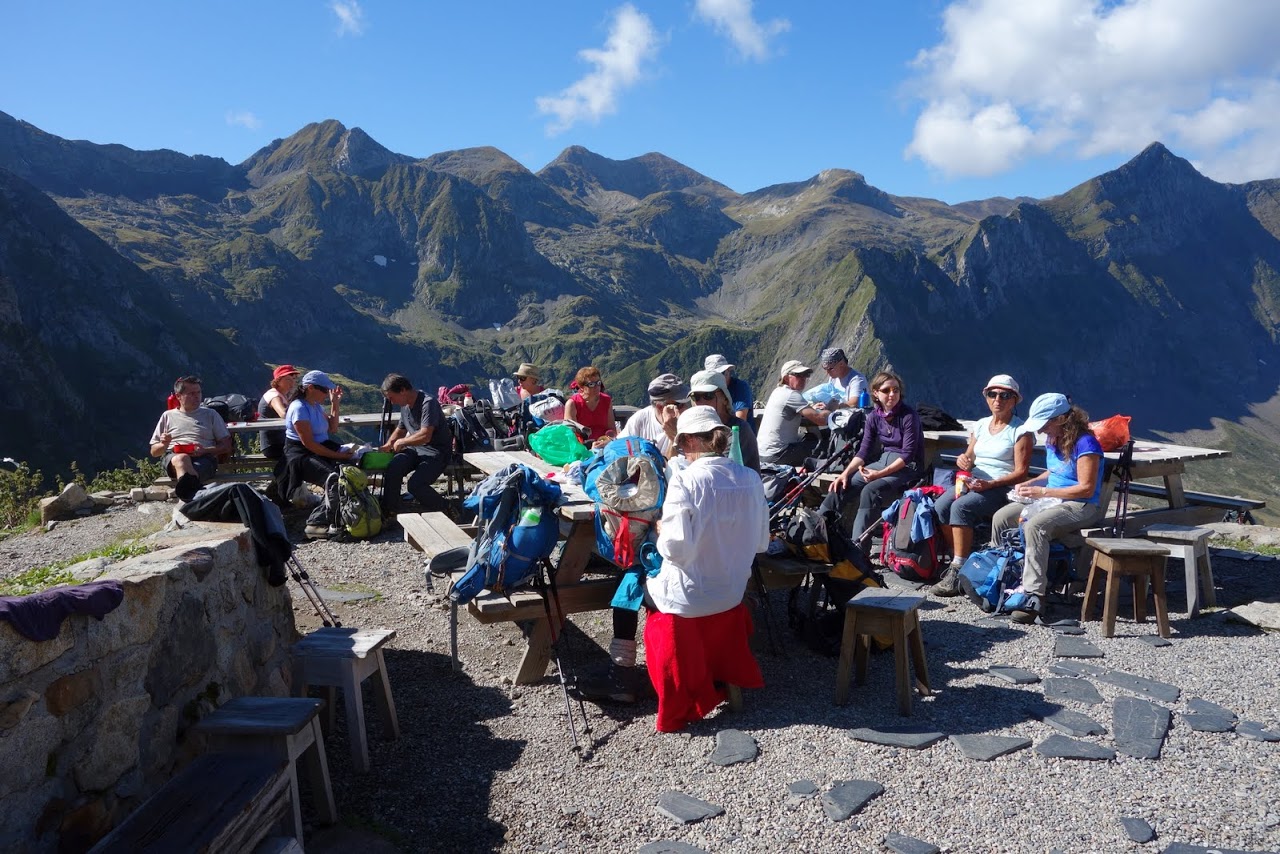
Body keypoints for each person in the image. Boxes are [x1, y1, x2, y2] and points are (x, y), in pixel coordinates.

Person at [643, 406, 770, 731]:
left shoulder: (685, 481)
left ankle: (644, 670)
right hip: (731, 593)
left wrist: (659, 532)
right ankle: (717, 674)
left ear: (686, 442)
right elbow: (760, 543)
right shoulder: (751, 479)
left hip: (689, 599)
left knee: (637, 582)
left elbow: (674, 548)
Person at [989, 393, 1106, 624]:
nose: (1041, 431)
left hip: (1081, 505)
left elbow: (1085, 488)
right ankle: (1000, 578)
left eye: (1044, 424)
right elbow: (1054, 473)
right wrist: (1032, 483)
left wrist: (1042, 493)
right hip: (1052, 500)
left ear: (1062, 419)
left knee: (1036, 526)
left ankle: (1034, 596)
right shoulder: (1055, 439)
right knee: (1002, 517)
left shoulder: (1086, 443)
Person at [931, 374, 1033, 596]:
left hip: (1002, 487)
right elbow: (969, 457)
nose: (998, 399)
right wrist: (963, 461)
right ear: (986, 397)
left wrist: (990, 484)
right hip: (975, 481)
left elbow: (1021, 472)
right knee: (940, 506)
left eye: (1005, 395)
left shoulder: (1020, 431)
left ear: (1015, 400)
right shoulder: (980, 425)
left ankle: (958, 570)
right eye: (992, 394)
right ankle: (962, 558)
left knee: (961, 507)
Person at [822, 370, 925, 540]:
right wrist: (845, 474)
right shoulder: (874, 417)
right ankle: (817, 532)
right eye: (886, 390)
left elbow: (908, 454)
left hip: (908, 467)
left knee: (870, 490)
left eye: (896, 390)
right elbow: (864, 450)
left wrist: (879, 474)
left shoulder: (909, 416)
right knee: (840, 486)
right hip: (882, 462)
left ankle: (858, 547)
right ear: (876, 393)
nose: (892, 394)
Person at [275, 370, 355, 537]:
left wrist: (335, 403)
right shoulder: (299, 408)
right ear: (311, 388)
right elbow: (309, 444)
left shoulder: (315, 406)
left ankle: (341, 514)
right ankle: (315, 523)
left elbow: (332, 428)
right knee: (333, 479)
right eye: (325, 390)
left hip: (317, 450)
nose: (327, 394)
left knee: (348, 471)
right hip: (301, 455)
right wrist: (339, 456)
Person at [377, 374, 454, 520]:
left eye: (392, 397)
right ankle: (390, 511)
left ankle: (446, 507)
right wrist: (388, 445)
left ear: (403, 390)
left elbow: (426, 435)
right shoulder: (405, 405)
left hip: (436, 451)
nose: (391, 402)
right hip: (415, 449)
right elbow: (401, 430)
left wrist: (403, 442)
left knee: (415, 484)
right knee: (394, 468)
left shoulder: (428, 403)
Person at [149, 375, 232, 501]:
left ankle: (189, 500)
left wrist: (205, 450)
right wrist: (164, 445)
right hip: (173, 458)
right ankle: (195, 501)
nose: (197, 397)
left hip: (205, 459)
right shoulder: (168, 416)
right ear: (178, 396)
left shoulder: (210, 414)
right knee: (182, 458)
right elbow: (154, 452)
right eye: (191, 393)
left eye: (198, 392)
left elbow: (226, 446)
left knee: (185, 465)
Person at [677, 369, 760, 472]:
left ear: (725, 398)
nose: (701, 402)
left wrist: (674, 435)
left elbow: (718, 472)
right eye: (696, 397)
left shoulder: (738, 430)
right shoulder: (691, 431)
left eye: (708, 396)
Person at [756, 360, 828, 466]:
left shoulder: (777, 392)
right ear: (786, 378)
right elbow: (821, 420)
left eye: (806, 375)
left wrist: (810, 408)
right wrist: (831, 407)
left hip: (762, 453)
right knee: (822, 444)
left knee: (807, 437)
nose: (803, 378)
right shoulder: (792, 395)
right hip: (777, 455)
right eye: (799, 375)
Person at [619, 373, 686, 456]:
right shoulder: (639, 419)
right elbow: (621, 447)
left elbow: (686, 462)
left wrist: (674, 436)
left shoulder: (690, 421)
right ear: (660, 407)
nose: (685, 408)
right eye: (679, 405)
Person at [563, 366, 615, 449]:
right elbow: (571, 435)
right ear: (581, 387)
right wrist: (588, 445)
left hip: (604, 443)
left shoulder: (606, 400)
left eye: (598, 383)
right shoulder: (572, 404)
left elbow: (611, 428)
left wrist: (608, 440)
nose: (597, 387)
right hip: (582, 446)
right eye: (591, 384)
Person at [257, 364, 299, 461]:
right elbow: (283, 414)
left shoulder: (283, 395)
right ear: (278, 380)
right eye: (288, 379)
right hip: (273, 445)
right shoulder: (274, 395)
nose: (292, 383)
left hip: (281, 442)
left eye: (294, 379)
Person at [704, 354, 754, 427]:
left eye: (723, 373)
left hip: (740, 436)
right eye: (716, 375)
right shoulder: (706, 392)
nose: (721, 377)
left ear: (728, 371)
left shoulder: (740, 387)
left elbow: (740, 421)